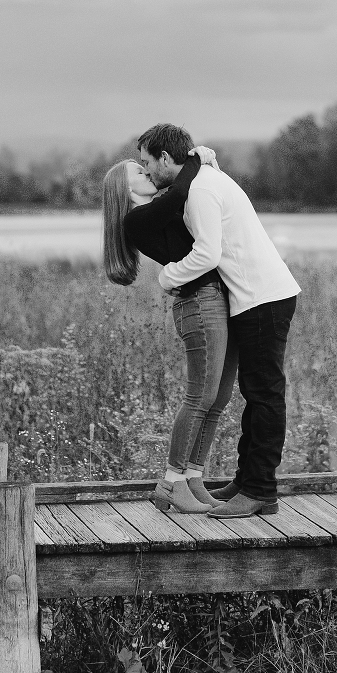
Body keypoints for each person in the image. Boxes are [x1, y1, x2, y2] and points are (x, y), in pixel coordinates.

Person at [139, 123, 300, 518]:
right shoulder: (204, 177)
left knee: (264, 396)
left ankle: (260, 491)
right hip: (257, 296)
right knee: (254, 393)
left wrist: (166, 276)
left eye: (147, 162)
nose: (145, 171)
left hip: (262, 297)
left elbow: (207, 254)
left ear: (165, 157)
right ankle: (247, 482)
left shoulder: (200, 189)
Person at [102, 131, 235, 515]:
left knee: (219, 398)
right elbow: (180, 192)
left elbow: (199, 206)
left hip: (211, 298)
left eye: (146, 166)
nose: (148, 172)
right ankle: (172, 482)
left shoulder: (158, 206)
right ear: (124, 192)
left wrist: (206, 166)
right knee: (200, 397)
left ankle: (193, 477)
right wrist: (196, 158)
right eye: (140, 173)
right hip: (197, 304)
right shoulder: (137, 219)